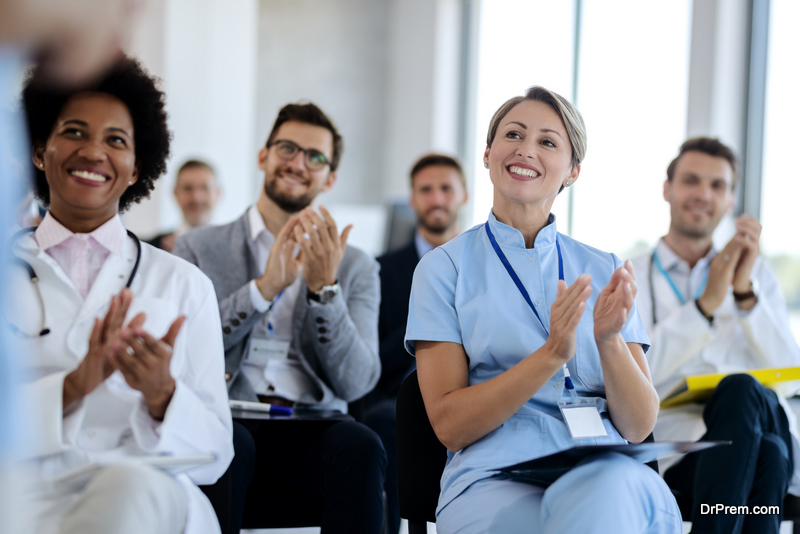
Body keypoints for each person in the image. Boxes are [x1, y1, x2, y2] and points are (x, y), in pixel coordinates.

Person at [405, 86, 682, 534]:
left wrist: (609, 342)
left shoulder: (605, 269)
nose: (526, 150)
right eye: (513, 135)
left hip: (604, 466)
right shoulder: (443, 269)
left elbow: (638, 425)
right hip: (495, 476)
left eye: (548, 142)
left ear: (572, 172)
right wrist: (552, 354)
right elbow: (450, 427)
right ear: (489, 153)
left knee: (606, 493)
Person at [12, 57, 233, 534]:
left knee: (130, 488)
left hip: (146, 496)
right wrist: (71, 387)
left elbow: (216, 454)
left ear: (137, 168)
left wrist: (163, 396)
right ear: (38, 150)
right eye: (73, 132)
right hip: (22, 491)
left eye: (116, 140)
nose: (93, 151)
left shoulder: (183, 283)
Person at [173, 101, 386, 533]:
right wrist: (263, 289)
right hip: (229, 418)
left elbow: (358, 382)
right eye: (287, 148)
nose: (298, 163)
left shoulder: (356, 266)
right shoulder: (196, 247)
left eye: (315, 157)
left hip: (314, 424)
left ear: (330, 177)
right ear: (263, 156)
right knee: (230, 443)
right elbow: (185, 353)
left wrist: (325, 289)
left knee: (361, 445)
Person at [629, 137, 800, 533]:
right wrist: (704, 306)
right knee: (770, 455)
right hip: (682, 451)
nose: (703, 194)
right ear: (667, 189)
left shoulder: (757, 277)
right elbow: (633, 375)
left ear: (730, 199)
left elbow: (791, 372)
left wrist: (743, 295)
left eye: (717, 185)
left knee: (742, 392)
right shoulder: (629, 275)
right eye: (691, 180)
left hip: (758, 421)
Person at [365, 152, 467, 533]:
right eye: (426, 190)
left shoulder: (483, 264)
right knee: (387, 419)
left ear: (464, 195)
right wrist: (429, 313)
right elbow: (372, 361)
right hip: (398, 397)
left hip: (474, 388)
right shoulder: (380, 269)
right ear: (412, 200)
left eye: (446, 189)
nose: (437, 199)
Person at [148, 159, 221, 252]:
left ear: (218, 193)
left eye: (205, 188)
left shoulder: (236, 250)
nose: (196, 198)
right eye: (188, 188)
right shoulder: (152, 250)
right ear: (175, 193)